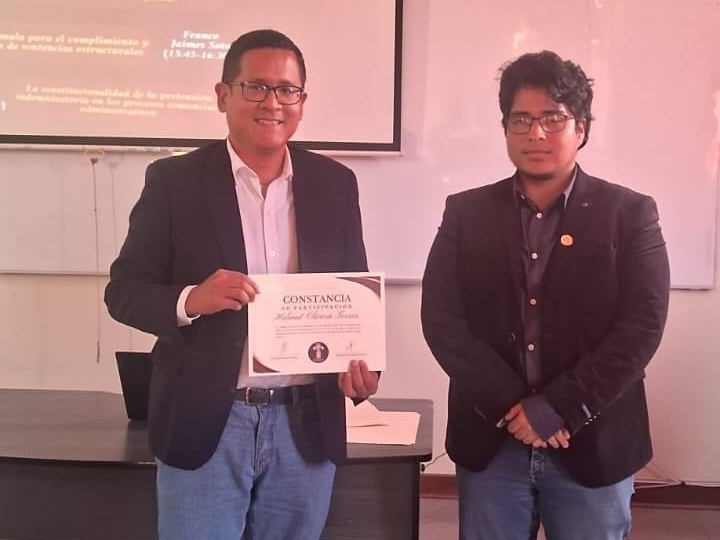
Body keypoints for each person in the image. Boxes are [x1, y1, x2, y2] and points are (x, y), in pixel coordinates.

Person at [105, 29, 378, 540]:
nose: (272, 103)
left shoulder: (335, 184)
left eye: (287, 90)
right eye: (255, 87)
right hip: (208, 422)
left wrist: (361, 369)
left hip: (305, 426)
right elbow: (123, 292)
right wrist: (192, 299)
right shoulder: (174, 182)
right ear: (223, 95)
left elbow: (354, 299)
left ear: (302, 102)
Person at [421, 50, 670, 540]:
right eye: (521, 120)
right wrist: (515, 407)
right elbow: (442, 320)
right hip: (493, 442)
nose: (536, 133)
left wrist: (557, 407)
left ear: (581, 129)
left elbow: (641, 328)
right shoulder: (465, 213)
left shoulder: (630, 214)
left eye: (553, 118)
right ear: (505, 129)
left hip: (592, 439)